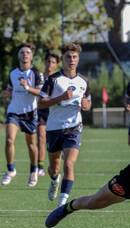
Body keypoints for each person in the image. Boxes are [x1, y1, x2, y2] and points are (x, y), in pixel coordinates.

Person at [38, 42, 91, 207]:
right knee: (54, 168)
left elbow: (88, 102)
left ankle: (62, 203)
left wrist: (85, 105)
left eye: (75, 57)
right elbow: (41, 103)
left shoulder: (84, 81)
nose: (72, 60)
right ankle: (54, 180)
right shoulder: (53, 80)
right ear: (62, 59)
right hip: (54, 128)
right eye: (68, 57)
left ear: (78, 59)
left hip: (74, 128)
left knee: (69, 164)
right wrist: (61, 98)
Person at [1, 43, 44, 187]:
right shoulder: (13, 73)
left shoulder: (36, 73)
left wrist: (27, 87)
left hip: (30, 113)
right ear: (18, 56)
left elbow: (41, 93)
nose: (25, 54)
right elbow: (10, 89)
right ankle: (11, 170)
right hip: (14, 111)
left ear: (31, 56)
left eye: (27, 52)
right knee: (8, 140)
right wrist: (7, 93)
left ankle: (33, 171)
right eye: (22, 52)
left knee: (31, 145)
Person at [37, 52, 60, 176]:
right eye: (48, 61)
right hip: (42, 111)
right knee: (41, 136)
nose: (50, 64)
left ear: (56, 65)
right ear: (45, 62)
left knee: (56, 140)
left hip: (56, 112)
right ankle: (40, 166)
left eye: (53, 62)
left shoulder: (58, 79)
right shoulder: (39, 77)